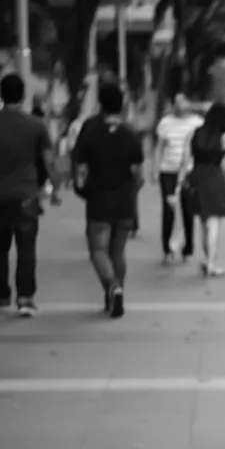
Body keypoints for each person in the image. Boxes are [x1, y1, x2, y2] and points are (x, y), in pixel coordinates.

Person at [0, 74, 53, 317]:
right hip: (28, 195)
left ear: (1, 94)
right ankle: (25, 298)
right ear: (23, 95)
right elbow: (48, 160)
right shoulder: (37, 125)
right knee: (26, 247)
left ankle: (1, 296)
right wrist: (55, 187)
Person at [71, 80, 144, 318]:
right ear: (122, 105)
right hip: (125, 200)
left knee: (98, 249)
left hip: (99, 199)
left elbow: (80, 167)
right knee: (118, 251)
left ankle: (112, 287)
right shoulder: (131, 133)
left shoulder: (90, 132)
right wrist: (133, 189)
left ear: (100, 104)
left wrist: (80, 187)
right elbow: (138, 174)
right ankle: (115, 292)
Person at [184, 102, 225, 277]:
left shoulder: (196, 133)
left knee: (204, 222)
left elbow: (187, 157)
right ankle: (211, 263)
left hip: (197, 176)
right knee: (214, 223)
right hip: (215, 176)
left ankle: (207, 259)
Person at [154, 92, 202, 264]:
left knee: (188, 209)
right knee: (168, 210)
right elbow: (160, 146)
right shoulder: (165, 123)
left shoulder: (197, 123)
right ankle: (167, 249)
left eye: (183, 101)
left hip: (189, 172)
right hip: (168, 170)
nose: (180, 105)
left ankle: (187, 248)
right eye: (176, 102)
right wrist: (155, 168)